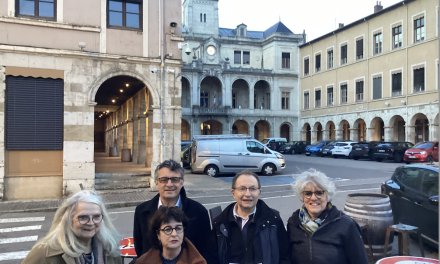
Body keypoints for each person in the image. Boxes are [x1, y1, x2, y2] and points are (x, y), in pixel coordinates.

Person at [204, 170, 291, 264]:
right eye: (242, 189)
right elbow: (211, 258)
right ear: (233, 193)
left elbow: (285, 255)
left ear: (259, 192)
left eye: (253, 189)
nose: (248, 194)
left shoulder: (273, 219)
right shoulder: (220, 223)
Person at [287, 169, 368, 264]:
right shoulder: (294, 223)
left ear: (327, 195)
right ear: (302, 196)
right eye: (308, 193)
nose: (313, 198)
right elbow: (288, 258)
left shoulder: (346, 224)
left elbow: (359, 261)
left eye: (319, 193)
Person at [133, 160, 211, 257]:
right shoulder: (141, 212)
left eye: (174, 179)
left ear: (182, 182)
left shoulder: (199, 212)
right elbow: (140, 249)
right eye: (164, 179)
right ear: (156, 183)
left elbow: (206, 250)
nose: (169, 184)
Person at [22, 190, 121, 264]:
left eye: (96, 217)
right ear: (69, 219)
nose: (91, 223)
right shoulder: (45, 252)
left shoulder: (109, 248)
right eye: (83, 217)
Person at [135, 206, 206, 264]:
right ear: (158, 234)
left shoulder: (198, 262)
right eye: (167, 229)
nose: (174, 234)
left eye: (178, 228)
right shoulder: (143, 262)